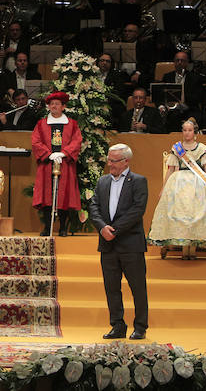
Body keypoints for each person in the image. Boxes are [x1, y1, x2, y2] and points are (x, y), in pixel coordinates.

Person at [88, 143, 149, 340]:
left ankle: (140, 326)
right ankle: (117, 325)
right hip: (108, 244)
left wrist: (115, 230)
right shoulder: (103, 181)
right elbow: (94, 207)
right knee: (111, 287)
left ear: (125, 162)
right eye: (109, 160)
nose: (110, 164)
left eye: (113, 161)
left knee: (137, 287)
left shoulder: (139, 181)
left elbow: (137, 210)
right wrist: (102, 227)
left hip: (131, 244)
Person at [147, 118, 206, 259]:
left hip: (198, 186)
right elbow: (170, 170)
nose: (187, 133)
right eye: (184, 130)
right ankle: (184, 249)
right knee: (180, 213)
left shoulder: (202, 149)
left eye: (190, 130)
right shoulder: (177, 148)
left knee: (195, 215)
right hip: (178, 184)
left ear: (194, 132)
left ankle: (193, 248)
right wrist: (163, 188)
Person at [31, 91, 82, 236]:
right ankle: (48, 227)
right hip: (47, 164)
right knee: (47, 196)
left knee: (64, 196)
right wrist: (49, 154)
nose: (54, 106)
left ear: (63, 106)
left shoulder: (72, 124)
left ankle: (63, 228)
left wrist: (64, 153)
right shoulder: (41, 124)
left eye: (57, 104)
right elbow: (36, 141)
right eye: (51, 104)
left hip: (65, 163)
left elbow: (77, 141)